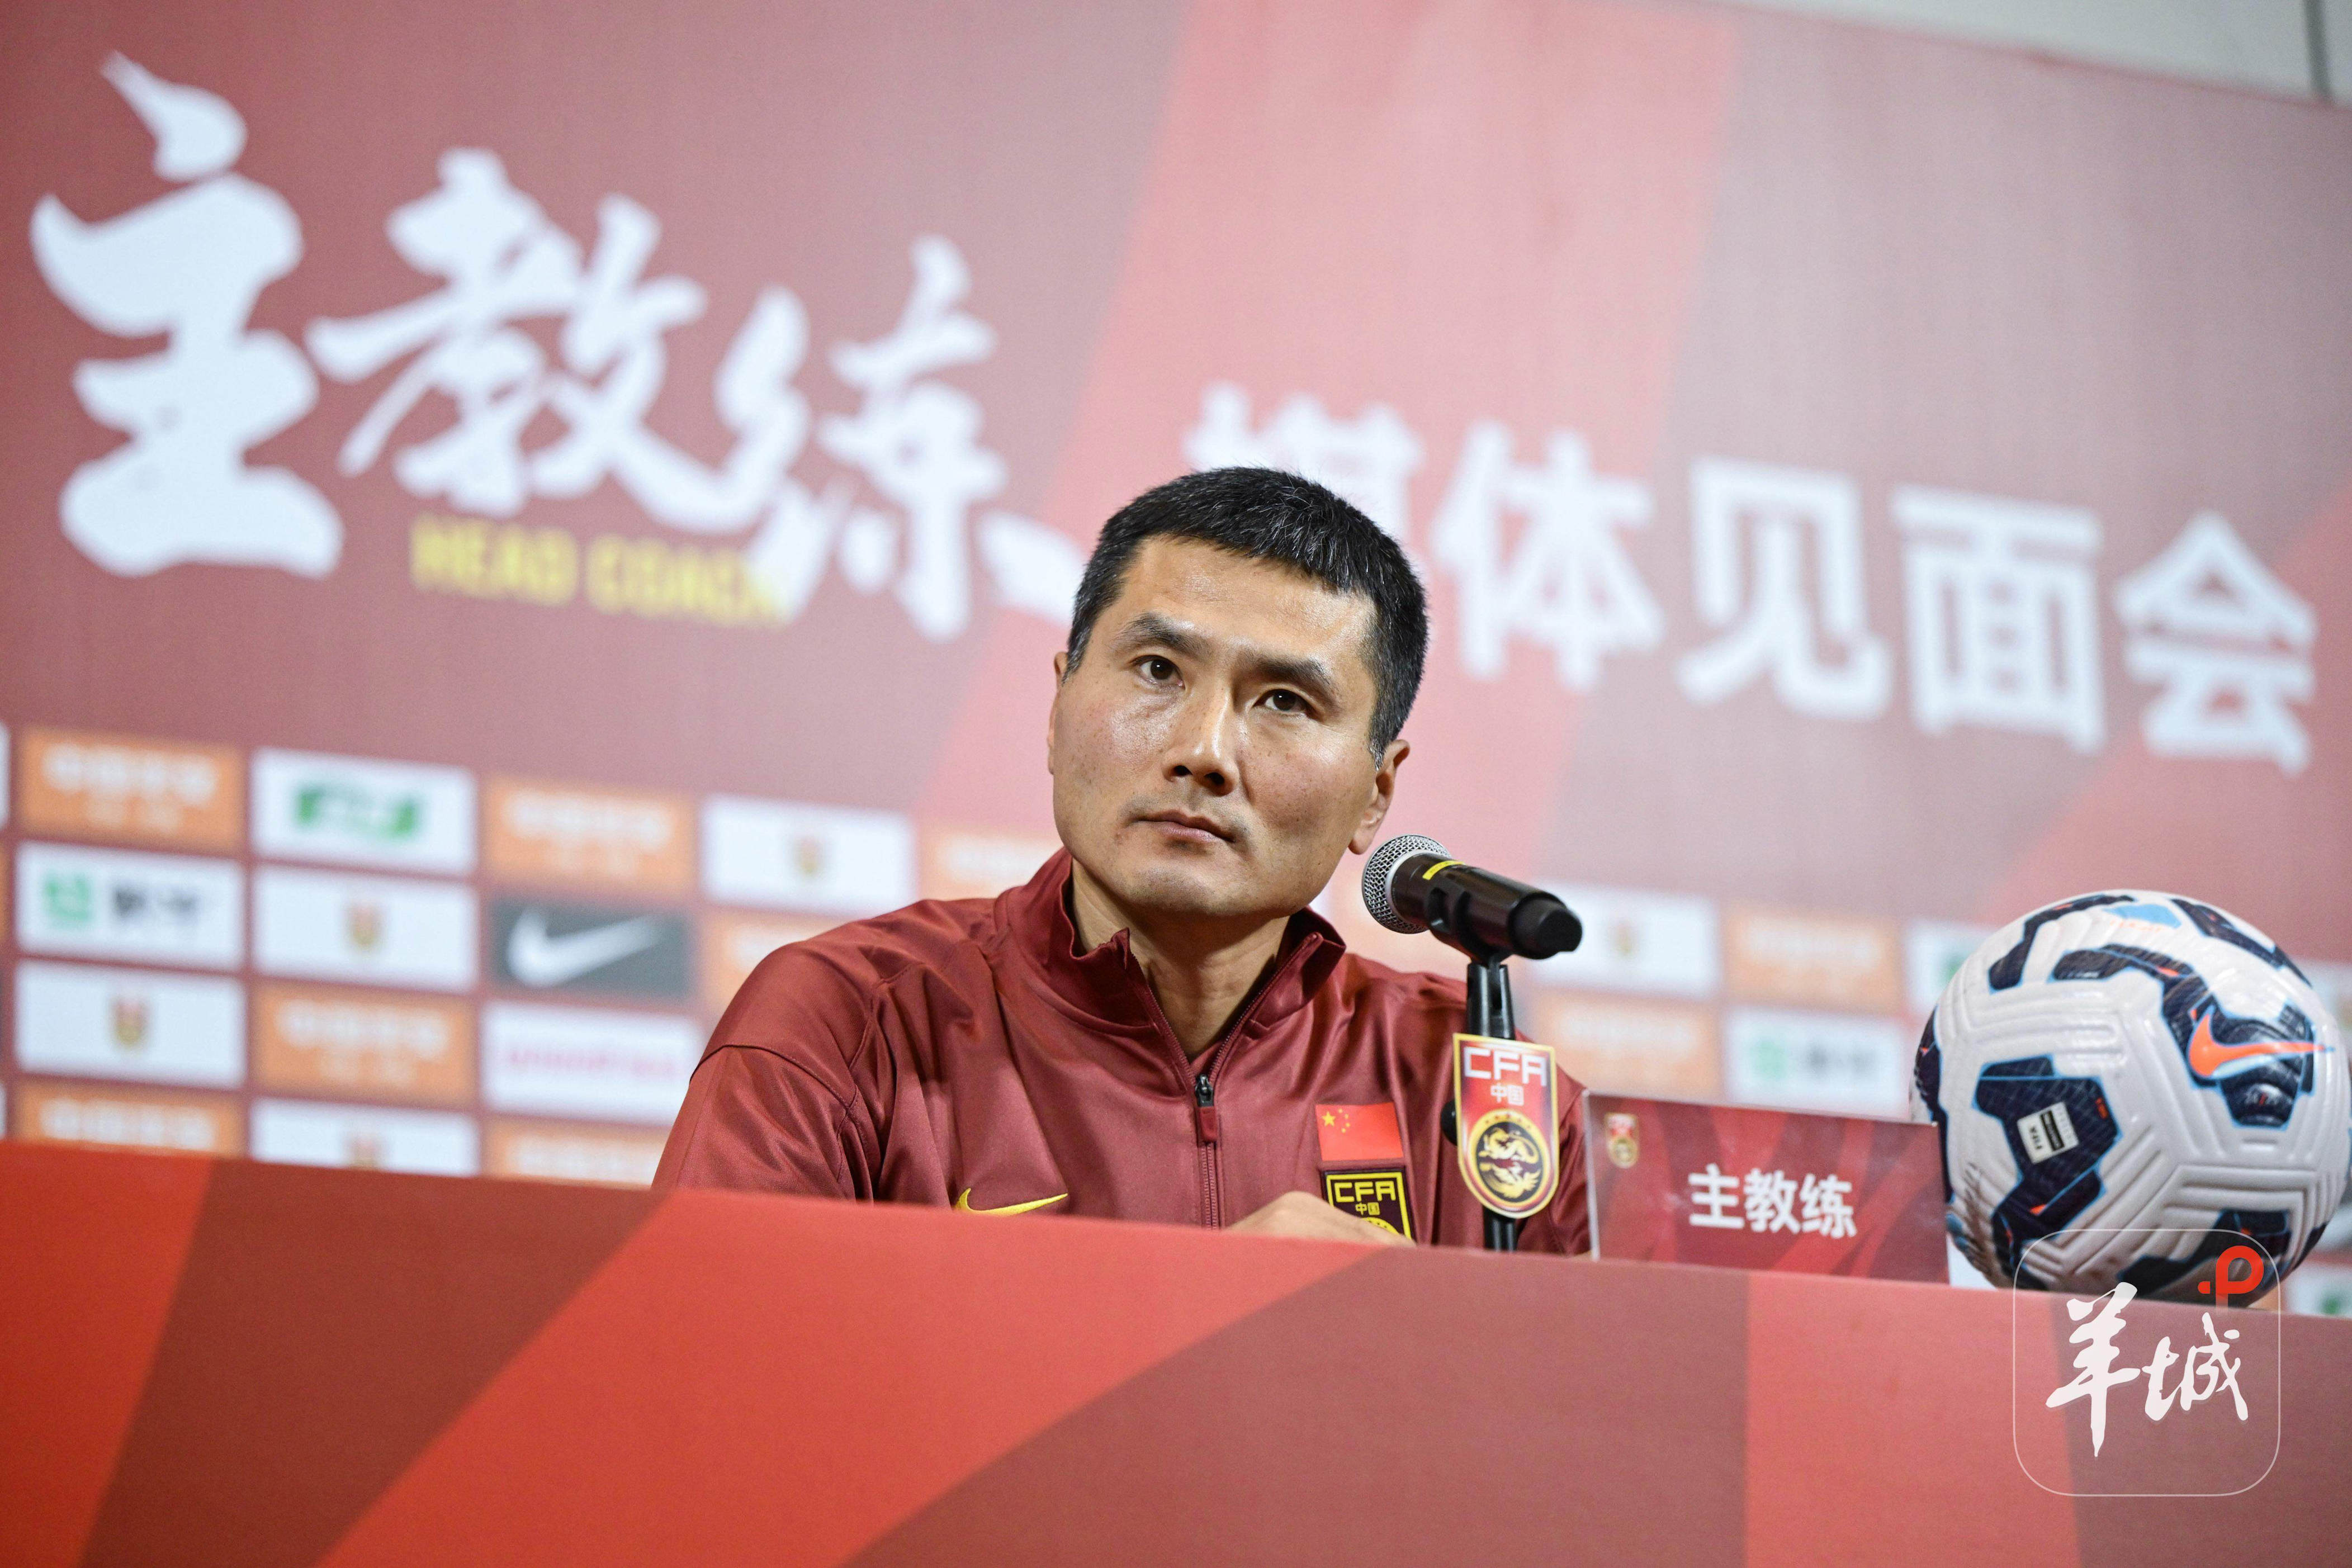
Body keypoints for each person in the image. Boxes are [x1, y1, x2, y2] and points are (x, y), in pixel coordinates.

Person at [655, 467, 1589, 1249]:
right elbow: (708, 1388)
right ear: (1058, 705)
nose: (1205, 751)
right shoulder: (843, 1027)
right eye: (1158, 671)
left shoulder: (1486, 1096)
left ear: (1376, 793)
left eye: (1285, 702)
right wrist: (1196, 1318)